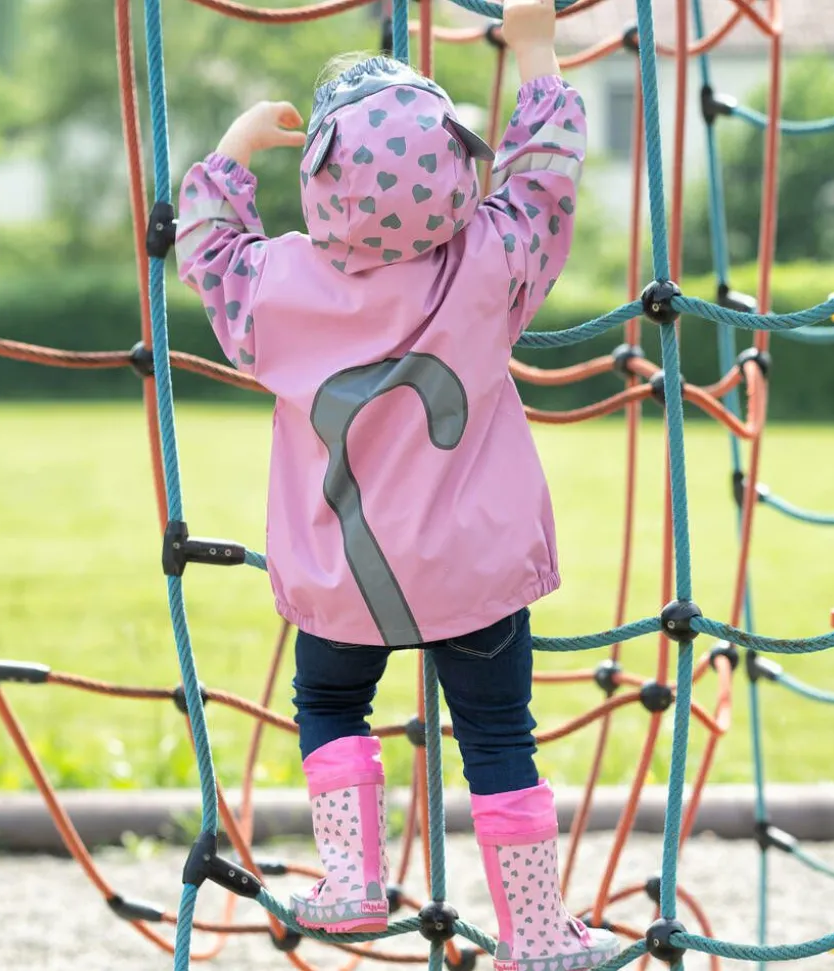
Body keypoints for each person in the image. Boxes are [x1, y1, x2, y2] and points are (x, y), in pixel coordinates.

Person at [175, 0, 619, 968]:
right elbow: (545, 177)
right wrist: (536, 50)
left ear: (321, 184)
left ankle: (352, 880)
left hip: (343, 580)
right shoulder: (492, 259)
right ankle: (537, 935)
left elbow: (205, 246)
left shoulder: (278, 287)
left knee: (330, 705)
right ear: (460, 172)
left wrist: (230, 153)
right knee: (501, 737)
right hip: (475, 572)